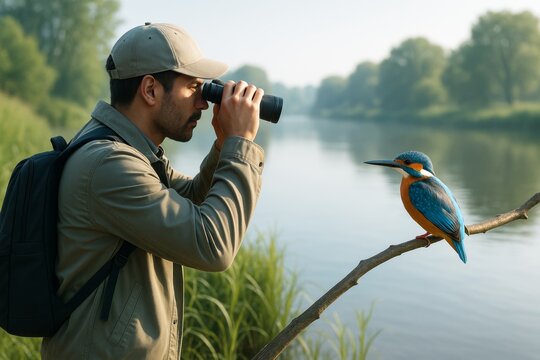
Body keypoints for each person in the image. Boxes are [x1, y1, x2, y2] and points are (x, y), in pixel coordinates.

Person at [41, 22, 265, 359]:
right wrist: (240, 143)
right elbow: (213, 245)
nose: (203, 104)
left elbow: (190, 200)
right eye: (194, 88)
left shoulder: (130, 151)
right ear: (150, 90)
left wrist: (222, 146)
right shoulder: (110, 164)